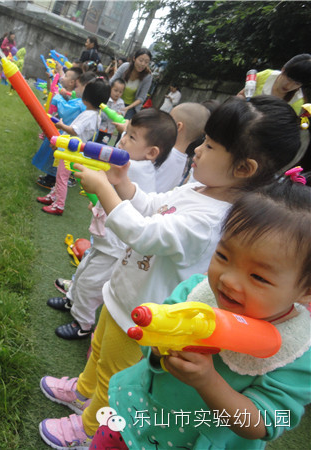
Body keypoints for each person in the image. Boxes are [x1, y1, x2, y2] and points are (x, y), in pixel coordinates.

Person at [37, 96, 302, 449]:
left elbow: (144, 233)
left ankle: (87, 428)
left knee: (112, 377)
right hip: (123, 294)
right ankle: (82, 390)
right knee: (98, 352)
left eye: (210, 146)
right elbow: (152, 206)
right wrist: (123, 184)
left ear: (243, 168)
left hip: (143, 313)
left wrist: (104, 190)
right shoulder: (198, 188)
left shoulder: (212, 219)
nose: (197, 150)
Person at [95, 176, 311, 449]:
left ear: (307, 291)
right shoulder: (196, 292)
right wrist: (159, 347)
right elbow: (150, 351)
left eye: (258, 277)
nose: (228, 280)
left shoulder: (298, 352)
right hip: (135, 411)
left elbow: (265, 423)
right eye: (223, 256)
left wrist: (207, 382)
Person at [48, 108, 178, 340]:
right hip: (104, 239)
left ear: (151, 152)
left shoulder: (135, 168)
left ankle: (82, 323)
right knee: (83, 271)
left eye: (132, 137)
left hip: (114, 247)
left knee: (90, 283)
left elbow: (101, 172)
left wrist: (71, 151)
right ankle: (72, 301)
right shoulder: (133, 164)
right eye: (126, 133)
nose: (123, 140)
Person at [36, 73, 109, 216]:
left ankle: (59, 205)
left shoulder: (88, 115)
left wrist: (61, 125)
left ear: (87, 97)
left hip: (72, 151)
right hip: (73, 150)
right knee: (60, 176)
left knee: (62, 178)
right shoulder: (95, 114)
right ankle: (53, 196)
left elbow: (74, 130)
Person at [33, 67, 85, 189]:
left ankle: (52, 179)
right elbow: (52, 90)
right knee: (51, 153)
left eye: (66, 76)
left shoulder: (74, 99)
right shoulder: (67, 93)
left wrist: (59, 98)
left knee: (55, 156)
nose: (63, 77)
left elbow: (66, 110)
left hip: (64, 131)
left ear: (72, 82)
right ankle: (50, 176)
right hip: (59, 128)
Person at [238, 53, 311, 115]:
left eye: (297, 84)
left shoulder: (297, 101)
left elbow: (287, 124)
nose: (288, 86)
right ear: (283, 69)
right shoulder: (265, 76)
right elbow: (241, 95)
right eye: (288, 79)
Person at [110, 49, 153, 120]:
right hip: (115, 99)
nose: (143, 64)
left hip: (131, 107)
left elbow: (141, 97)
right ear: (134, 58)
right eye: (141, 60)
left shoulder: (148, 77)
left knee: (123, 124)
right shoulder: (125, 67)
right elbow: (111, 82)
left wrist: (127, 108)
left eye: (146, 62)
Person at [97, 78, 125, 145]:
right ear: (110, 89)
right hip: (100, 127)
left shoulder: (121, 103)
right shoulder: (106, 99)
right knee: (95, 141)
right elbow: (100, 110)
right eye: (115, 90)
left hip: (109, 131)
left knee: (103, 144)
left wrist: (120, 114)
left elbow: (122, 114)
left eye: (120, 92)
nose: (117, 93)